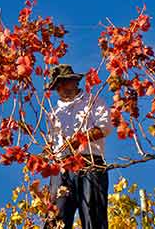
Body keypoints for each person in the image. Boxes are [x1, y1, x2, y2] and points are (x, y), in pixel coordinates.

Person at [43, 64, 113, 229]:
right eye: (57, 86)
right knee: (55, 219)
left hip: (89, 162)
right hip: (62, 168)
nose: (61, 88)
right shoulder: (54, 114)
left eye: (64, 82)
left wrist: (80, 139)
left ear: (74, 81)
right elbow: (52, 144)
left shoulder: (92, 102)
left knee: (93, 217)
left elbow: (105, 127)